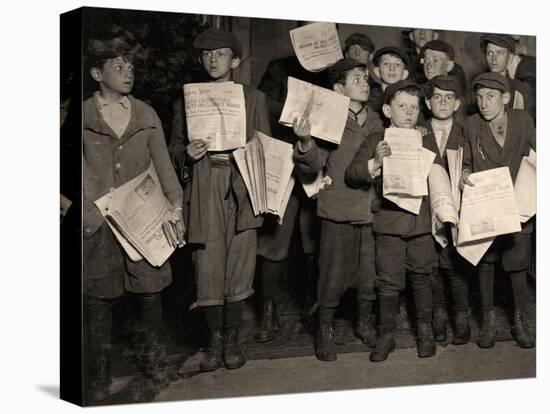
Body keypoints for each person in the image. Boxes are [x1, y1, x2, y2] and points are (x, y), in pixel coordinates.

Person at [83, 32, 184, 403]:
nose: (128, 73)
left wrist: (175, 207)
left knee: (150, 291)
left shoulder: (145, 113)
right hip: (97, 223)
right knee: (97, 298)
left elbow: (164, 165)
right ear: (97, 73)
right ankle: (97, 374)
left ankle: (153, 365)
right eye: (118, 66)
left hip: (142, 220)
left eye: (131, 67)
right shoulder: (81, 116)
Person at [169, 28, 271, 371]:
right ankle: (213, 341)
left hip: (241, 181)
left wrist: (254, 154)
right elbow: (172, 148)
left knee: (241, 262)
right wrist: (187, 153)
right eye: (207, 55)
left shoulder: (253, 98)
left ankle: (232, 340)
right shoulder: (186, 99)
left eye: (221, 54)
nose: (213, 60)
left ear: (236, 60)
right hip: (203, 181)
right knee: (208, 264)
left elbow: (267, 146)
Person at [346, 80, 449, 362]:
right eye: (402, 106)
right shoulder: (376, 138)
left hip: (420, 222)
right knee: (388, 281)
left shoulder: (425, 138)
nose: (408, 112)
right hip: (389, 222)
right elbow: (352, 173)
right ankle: (386, 334)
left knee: (422, 276)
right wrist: (375, 163)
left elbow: (438, 175)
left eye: (414, 107)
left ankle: (424, 333)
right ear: (388, 110)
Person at [293, 58, 384, 362]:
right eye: (356, 78)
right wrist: (305, 140)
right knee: (332, 274)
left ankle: (364, 322)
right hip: (338, 206)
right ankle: (325, 330)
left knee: (368, 273)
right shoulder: (329, 119)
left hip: (370, 207)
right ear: (338, 88)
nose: (364, 82)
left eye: (365, 78)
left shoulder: (377, 120)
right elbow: (315, 163)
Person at [460, 72, 535, 349]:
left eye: (490, 97)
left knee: (517, 264)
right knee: (486, 262)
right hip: (486, 205)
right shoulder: (470, 124)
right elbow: (465, 159)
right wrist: (463, 172)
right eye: (479, 97)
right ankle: (488, 322)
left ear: (505, 98)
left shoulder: (523, 121)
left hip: (519, 205)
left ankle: (520, 321)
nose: (483, 103)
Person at [423, 75, 472, 344]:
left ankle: (462, 319)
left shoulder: (467, 131)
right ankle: (438, 316)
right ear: (428, 102)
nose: (443, 102)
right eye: (437, 97)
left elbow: (475, 162)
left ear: (457, 104)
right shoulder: (417, 131)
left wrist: (467, 171)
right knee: (430, 266)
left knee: (456, 266)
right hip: (425, 210)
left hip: (458, 209)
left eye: (449, 97)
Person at [479, 33, 535, 121]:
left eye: (499, 53)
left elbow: (528, 128)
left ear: (509, 58)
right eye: (490, 53)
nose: (494, 58)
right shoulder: (477, 89)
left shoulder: (521, 90)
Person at [368, 47, 410, 115]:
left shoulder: (411, 98)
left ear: (404, 74)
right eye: (386, 63)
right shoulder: (369, 98)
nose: (392, 68)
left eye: (397, 64)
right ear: (377, 71)